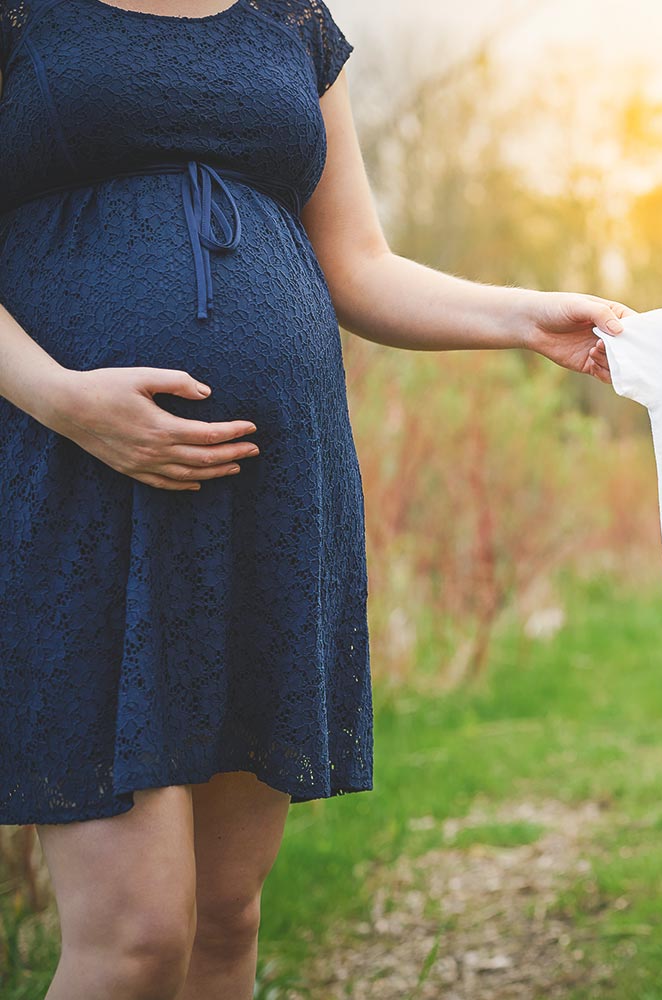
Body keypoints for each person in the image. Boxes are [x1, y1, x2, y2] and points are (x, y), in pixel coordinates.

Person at [0, 2, 624, 998]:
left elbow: (359, 264)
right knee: (137, 935)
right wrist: (60, 399)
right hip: (78, 480)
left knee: (224, 918)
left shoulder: (289, 17)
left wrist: (522, 319)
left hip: (272, 492)